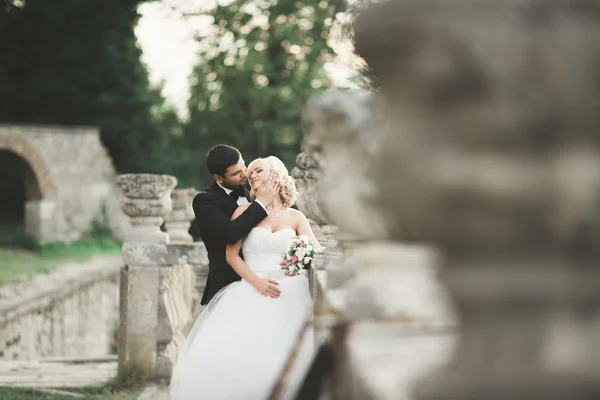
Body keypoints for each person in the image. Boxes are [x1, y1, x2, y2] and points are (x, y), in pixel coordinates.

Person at [170, 155, 323, 400]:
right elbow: (232, 256)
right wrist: (258, 283)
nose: (251, 175)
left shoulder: (296, 217)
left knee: (290, 357)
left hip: (293, 293)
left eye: (257, 170)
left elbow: (317, 252)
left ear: (276, 174)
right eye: (249, 173)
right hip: (252, 289)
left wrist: (301, 257)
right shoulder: (243, 211)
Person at [192, 144, 281, 306]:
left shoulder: (252, 189)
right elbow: (230, 234)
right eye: (235, 173)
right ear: (218, 178)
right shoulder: (205, 201)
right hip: (226, 288)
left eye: (244, 166)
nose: (244, 174)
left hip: (266, 284)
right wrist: (260, 203)